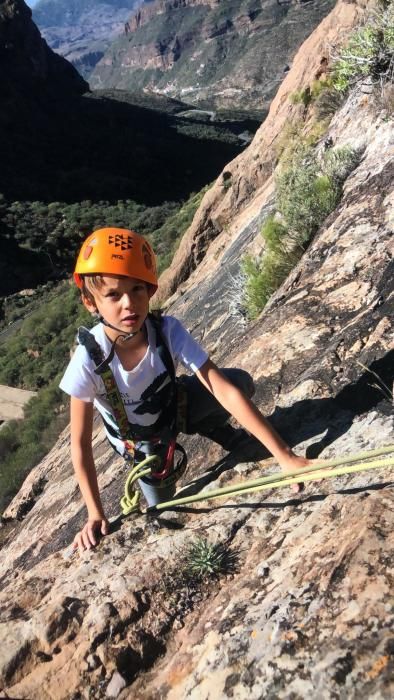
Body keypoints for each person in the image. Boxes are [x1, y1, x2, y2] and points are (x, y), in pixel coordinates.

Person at [60, 227, 313, 553]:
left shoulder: (166, 331)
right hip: (141, 441)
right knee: (165, 510)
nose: (129, 304)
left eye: (138, 289)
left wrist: (286, 457)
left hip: (173, 407)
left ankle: (214, 428)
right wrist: (96, 513)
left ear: (150, 290)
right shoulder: (87, 360)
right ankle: (168, 475)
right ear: (89, 301)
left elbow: (223, 389)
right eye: (113, 295)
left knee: (239, 382)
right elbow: (79, 446)